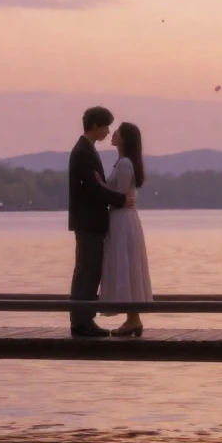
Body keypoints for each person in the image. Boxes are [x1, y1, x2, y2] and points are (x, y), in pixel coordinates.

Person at [67, 106, 134, 338]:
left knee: (90, 270)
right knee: (86, 270)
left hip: (91, 221)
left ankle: (84, 319)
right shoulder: (83, 152)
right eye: (105, 126)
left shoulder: (87, 150)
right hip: (88, 222)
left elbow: (95, 187)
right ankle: (81, 321)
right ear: (95, 126)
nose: (107, 132)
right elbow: (92, 190)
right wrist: (121, 200)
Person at [99, 122, 153, 336]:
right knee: (127, 265)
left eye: (118, 132)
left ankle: (133, 319)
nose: (113, 134)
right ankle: (133, 319)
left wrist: (99, 185)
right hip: (123, 218)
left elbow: (120, 196)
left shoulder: (124, 164)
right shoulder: (123, 162)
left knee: (125, 264)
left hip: (122, 219)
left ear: (125, 138)